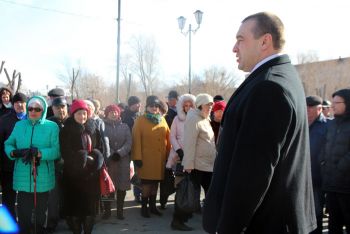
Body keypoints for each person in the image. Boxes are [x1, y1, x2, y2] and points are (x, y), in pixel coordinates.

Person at [203, 12, 316, 234]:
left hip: (263, 224)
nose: (234, 48)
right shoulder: (279, 77)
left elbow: (253, 173)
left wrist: (228, 227)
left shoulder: (268, 87)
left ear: (265, 41)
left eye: (240, 39)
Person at [5, 95, 60, 233]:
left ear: (44, 110)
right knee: (23, 214)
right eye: (30, 108)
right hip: (22, 177)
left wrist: (40, 153)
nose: (33, 111)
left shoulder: (52, 127)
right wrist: (13, 153)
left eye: (37, 109)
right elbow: (8, 143)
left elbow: (56, 151)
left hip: (43, 178)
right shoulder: (19, 125)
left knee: (40, 216)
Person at [60, 100, 104, 234]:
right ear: (73, 114)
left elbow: (100, 147)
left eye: (84, 114)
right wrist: (83, 157)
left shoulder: (93, 128)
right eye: (79, 113)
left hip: (91, 177)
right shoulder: (66, 130)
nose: (82, 117)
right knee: (75, 210)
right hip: (73, 177)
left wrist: (96, 157)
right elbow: (65, 152)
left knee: (90, 210)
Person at [131, 95, 171, 218]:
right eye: (151, 106)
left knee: (155, 184)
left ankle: (153, 207)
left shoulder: (162, 119)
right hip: (146, 159)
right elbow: (135, 139)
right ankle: (144, 207)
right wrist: (137, 157)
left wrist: (169, 156)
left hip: (159, 159)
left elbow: (168, 138)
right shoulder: (140, 120)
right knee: (147, 184)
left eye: (156, 106)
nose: (154, 108)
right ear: (147, 107)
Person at [321, 89, 350, 233]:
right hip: (331, 185)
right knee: (333, 224)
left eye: (337, 103)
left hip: (346, 186)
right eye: (332, 103)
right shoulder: (332, 124)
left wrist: (339, 168)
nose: (333, 106)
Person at [166, 94, 196, 231]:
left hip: (195, 157)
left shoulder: (197, 118)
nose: (188, 107)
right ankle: (177, 219)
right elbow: (171, 136)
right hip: (180, 157)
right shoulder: (177, 119)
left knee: (191, 188)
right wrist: (179, 150)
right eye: (186, 105)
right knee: (181, 187)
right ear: (182, 106)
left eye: (191, 105)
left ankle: (185, 216)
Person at [182, 93, 216, 198]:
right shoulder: (194, 119)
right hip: (197, 165)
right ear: (200, 105)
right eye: (207, 105)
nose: (210, 107)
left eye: (211, 105)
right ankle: (188, 212)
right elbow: (189, 143)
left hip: (207, 163)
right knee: (193, 192)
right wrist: (188, 164)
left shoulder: (204, 118)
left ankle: (204, 210)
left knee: (209, 190)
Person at [102, 104, 132, 220]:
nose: (114, 114)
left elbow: (129, 143)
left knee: (121, 187)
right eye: (111, 112)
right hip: (108, 160)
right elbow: (103, 142)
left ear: (119, 113)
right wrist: (111, 153)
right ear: (107, 114)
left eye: (115, 112)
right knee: (107, 187)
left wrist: (119, 153)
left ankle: (120, 210)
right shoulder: (103, 126)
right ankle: (107, 210)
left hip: (122, 160)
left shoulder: (125, 126)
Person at [0, 92, 27, 219]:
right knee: (8, 197)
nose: (19, 105)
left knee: (24, 196)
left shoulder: (31, 118)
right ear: (12, 104)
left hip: (27, 165)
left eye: (22, 102)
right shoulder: (4, 120)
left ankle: (25, 221)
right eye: (16, 103)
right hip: (8, 166)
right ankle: (9, 222)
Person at [45, 97, 69, 233]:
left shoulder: (72, 122)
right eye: (57, 107)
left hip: (71, 166)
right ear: (52, 109)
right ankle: (52, 223)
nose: (61, 109)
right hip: (53, 166)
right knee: (53, 197)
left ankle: (69, 218)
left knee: (69, 195)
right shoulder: (48, 124)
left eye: (63, 106)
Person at [306, 95, 328, 234]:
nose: (306, 110)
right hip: (302, 176)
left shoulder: (327, 126)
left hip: (316, 178)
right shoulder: (301, 123)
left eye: (310, 108)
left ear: (319, 109)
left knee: (316, 213)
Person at [121, 95, 142, 203]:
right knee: (126, 172)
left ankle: (138, 194)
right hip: (127, 148)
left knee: (139, 171)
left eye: (140, 103)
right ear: (131, 105)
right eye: (137, 103)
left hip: (138, 147)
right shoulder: (124, 116)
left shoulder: (140, 115)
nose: (140, 105)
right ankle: (121, 194)